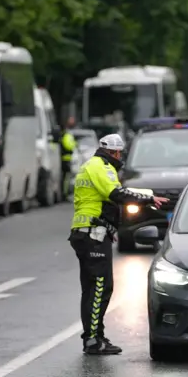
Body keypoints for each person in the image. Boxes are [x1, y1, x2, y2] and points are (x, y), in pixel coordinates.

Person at [70, 133, 168, 355]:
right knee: (100, 288)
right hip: (92, 235)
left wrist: (109, 228)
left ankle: (95, 336)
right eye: (119, 153)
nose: (120, 157)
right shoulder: (101, 166)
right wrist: (149, 199)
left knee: (92, 289)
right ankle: (93, 340)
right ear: (113, 152)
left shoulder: (93, 165)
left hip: (89, 233)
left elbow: (98, 202)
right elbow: (117, 194)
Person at [59, 117, 77, 201]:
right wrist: (75, 144)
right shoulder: (67, 135)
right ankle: (64, 194)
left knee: (64, 178)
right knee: (66, 178)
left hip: (63, 159)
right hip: (66, 159)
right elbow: (69, 145)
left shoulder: (62, 135)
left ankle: (63, 193)